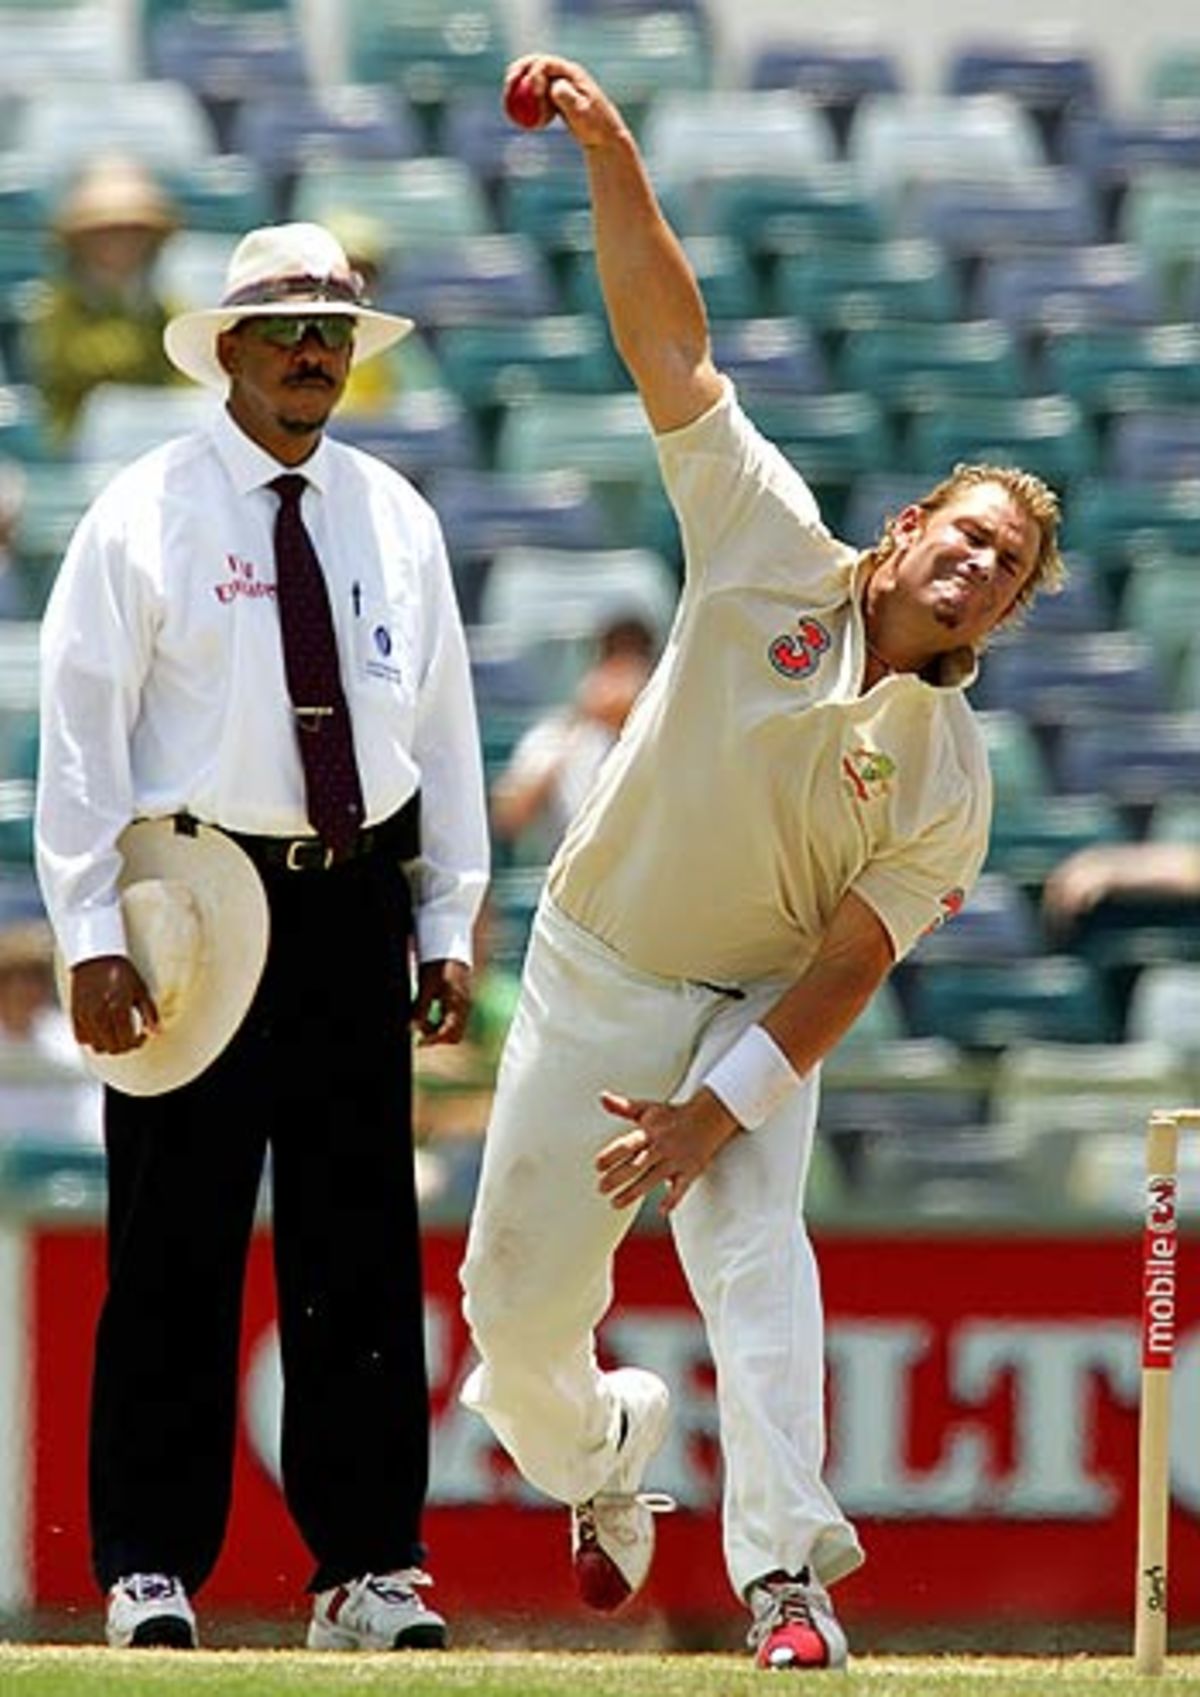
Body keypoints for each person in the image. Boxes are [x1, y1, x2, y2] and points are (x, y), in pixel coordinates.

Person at [459, 55, 1066, 1673]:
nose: (978, 563)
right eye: (969, 531)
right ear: (912, 524)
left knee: (754, 1261)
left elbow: (852, 965)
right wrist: (611, 153)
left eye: (1006, 566)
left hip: (752, 1015)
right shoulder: (763, 540)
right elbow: (673, 344)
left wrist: (713, 1109)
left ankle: (787, 1581)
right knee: (514, 1323)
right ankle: (605, 1456)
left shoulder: (948, 775)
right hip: (598, 968)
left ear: (1004, 616)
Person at [35, 221, 488, 1652]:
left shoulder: (394, 515)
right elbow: (80, 743)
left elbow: (445, 737)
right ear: (225, 349)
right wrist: (90, 929)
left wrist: (447, 916)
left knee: (358, 1245)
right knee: (174, 1240)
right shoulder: (144, 510)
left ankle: (368, 1569)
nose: (312, 353)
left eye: (333, 331)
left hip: (350, 895)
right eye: (287, 328)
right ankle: (148, 1566)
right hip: (192, 901)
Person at [26, 153, 185, 447]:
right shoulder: (54, 308)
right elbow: (78, 367)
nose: (121, 243)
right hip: (76, 456)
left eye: (134, 232)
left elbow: (188, 379)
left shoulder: (166, 307)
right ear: (80, 240)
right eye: (107, 233)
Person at [490, 610, 658, 860]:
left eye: (635, 656)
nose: (623, 670)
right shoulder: (554, 735)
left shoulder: (669, 734)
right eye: (613, 654)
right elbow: (508, 818)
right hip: (572, 881)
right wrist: (579, 726)